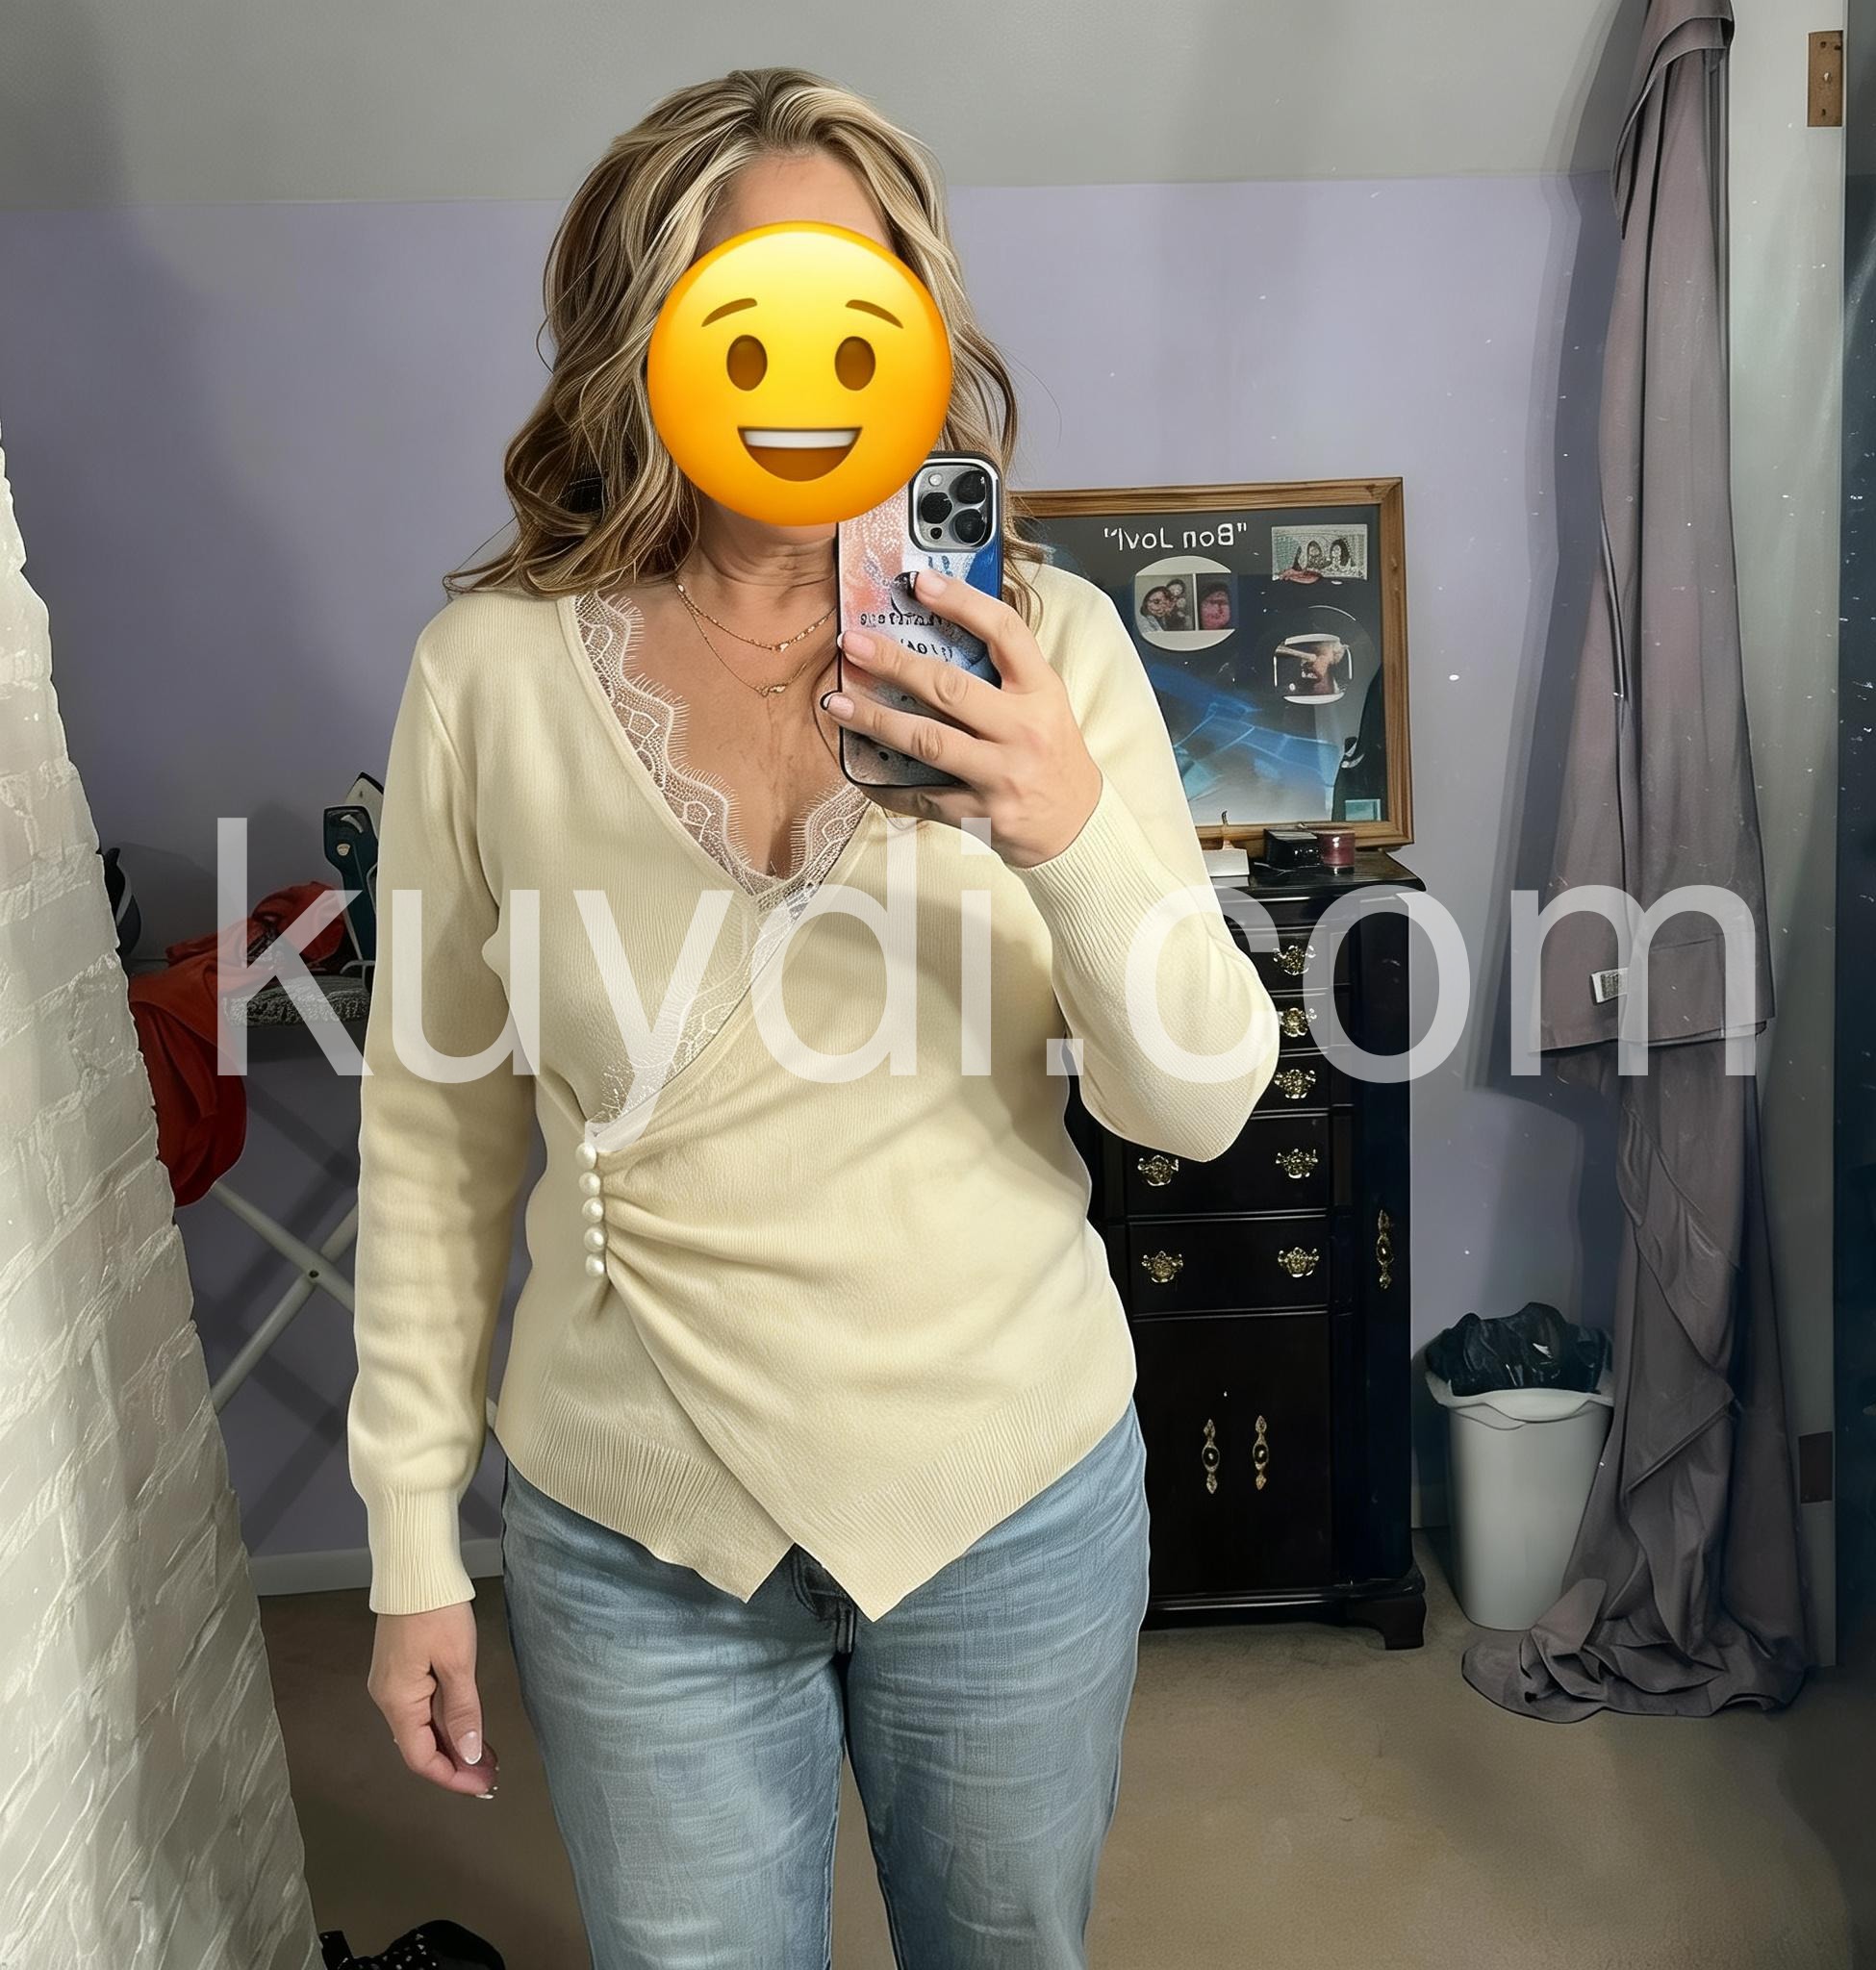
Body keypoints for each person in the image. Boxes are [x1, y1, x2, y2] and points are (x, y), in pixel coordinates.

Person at [348, 65, 1279, 1970]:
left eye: (857, 297)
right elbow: (436, 1140)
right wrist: (409, 1542)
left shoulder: (1049, 652)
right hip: (634, 1531)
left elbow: (1193, 1103)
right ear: (645, 336)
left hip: (1010, 1493)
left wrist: (1065, 829)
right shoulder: (487, 679)